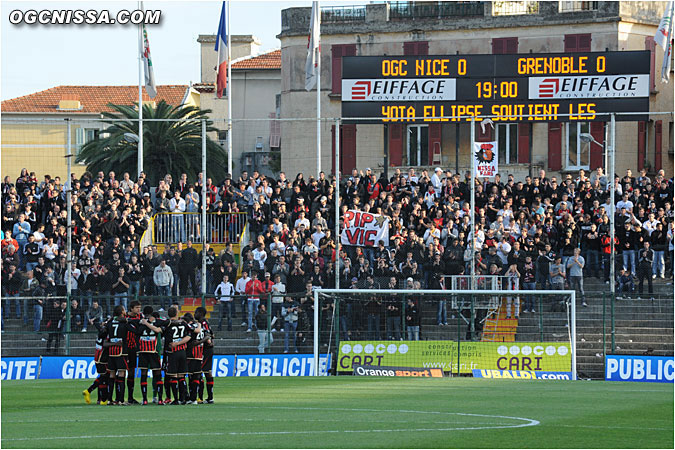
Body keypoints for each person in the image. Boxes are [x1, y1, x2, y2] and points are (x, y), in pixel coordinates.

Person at [132, 306, 166, 405]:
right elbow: (160, 329)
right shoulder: (157, 322)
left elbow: (133, 327)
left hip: (143, 352)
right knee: (157, 374)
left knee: (144, 374)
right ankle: (160, 399)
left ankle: (145, 399)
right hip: (153, 352)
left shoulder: (140, 323)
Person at [164, 306, 191, 404]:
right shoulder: (183, 323)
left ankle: (175, 399)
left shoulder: (167, 324)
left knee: (173, 376)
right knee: (182, 376)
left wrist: (175, 343)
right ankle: (183, 399)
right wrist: (180, 343)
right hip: (182, 352)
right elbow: (189, 335)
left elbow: (160, 331)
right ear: (177, 314)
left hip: (172, 352)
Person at [195, 306, 215, 404]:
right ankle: (209, 397)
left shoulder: (203, 323)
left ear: (200, 313)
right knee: (206, 371)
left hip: (206, 350)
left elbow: (208, 334)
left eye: (196, 312)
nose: (195, 314)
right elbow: (212, 334)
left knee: (201, 372)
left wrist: (209, 341)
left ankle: (202, 397)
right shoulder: (204, 322)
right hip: (206, 350)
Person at [184, 312, 204, 404]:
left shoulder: (190, 326)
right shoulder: (201, 326)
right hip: (199, 354)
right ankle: (195, 398)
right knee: (196, 376)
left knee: (191, 376)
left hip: (191, 354)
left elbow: (192, 340)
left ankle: (191, 398)